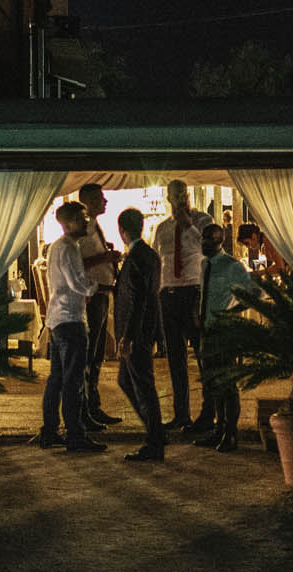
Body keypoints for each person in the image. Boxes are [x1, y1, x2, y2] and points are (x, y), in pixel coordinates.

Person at [36, 201, 104, 453]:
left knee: (57, 379)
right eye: (82, 217)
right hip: (70, 319)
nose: (87, 221)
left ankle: (51, 431)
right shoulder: (67, 248)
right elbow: (76, 282)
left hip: (58, 319)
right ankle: (75, 434)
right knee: (73, 381)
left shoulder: (59, 247)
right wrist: (96, 286)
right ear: (69, 222)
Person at [150, 179, 210, 430]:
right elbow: (157, 259)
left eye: (183, 194)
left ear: (189, 195)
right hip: (168, 295)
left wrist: (190, 227)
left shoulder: (203, 222)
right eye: (174, 196)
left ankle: (208, 414)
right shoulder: (162, 227)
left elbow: (211, 252)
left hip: (193, 293)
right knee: (175, 358)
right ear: (168, 198)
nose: (180, 199)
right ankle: (181, 414)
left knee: (202, 355)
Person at [192, 222, 254, 452]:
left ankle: (231, 433)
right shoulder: (204, 264)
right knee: (212, 383)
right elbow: (202, 291)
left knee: (227, 384)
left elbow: (252, 292)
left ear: (221, 241)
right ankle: (218, 428)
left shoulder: (231, 266)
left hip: (224, 330)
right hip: (207, 329)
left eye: (210, 240)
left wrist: (232, 313)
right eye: (203, 239)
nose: (204, 244)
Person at [113, 207, 166, 461]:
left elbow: (138, 300)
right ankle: (154, 431)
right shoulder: (150, 255)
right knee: (126, 380)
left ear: (122, 231)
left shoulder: (135, 258)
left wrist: (128, 336)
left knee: (144, 386)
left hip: (136, 333)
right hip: (145, 330)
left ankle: (155, 439)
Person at [75, 183, 122, 428]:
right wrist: (105, 258)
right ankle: (86, 409)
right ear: (90, 201)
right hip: (91, 297)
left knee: (97, 354)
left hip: (103, 293)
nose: (105, 202)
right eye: (101, 198)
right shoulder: (82, 231)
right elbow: (77, 263)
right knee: (90, 353)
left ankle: (93, 405)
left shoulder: (94, 228)